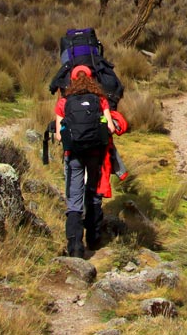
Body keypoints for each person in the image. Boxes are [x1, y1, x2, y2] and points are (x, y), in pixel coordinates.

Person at [54, 65, 128, 258]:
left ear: (71, 80)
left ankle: (76, 248)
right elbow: (110, 128)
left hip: (74, 155)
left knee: (74, 199)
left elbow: (59, 136)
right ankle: (94, 239)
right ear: (92, 79)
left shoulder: (64, 102)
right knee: (93, 192)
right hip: (96, 154)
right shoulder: (100, 99)